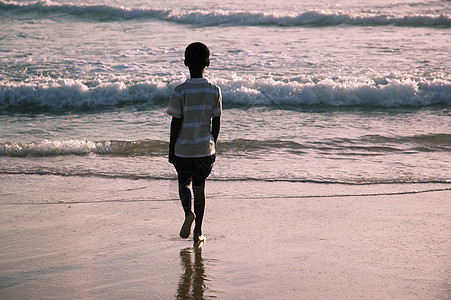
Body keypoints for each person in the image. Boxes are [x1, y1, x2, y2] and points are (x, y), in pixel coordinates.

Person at [167, 42, 222, 243]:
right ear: (208, 62)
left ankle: (188, 213)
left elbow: (176, 123)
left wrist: (171, 149)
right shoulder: (214, 90)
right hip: (203, 150)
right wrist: (212, 145)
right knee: (200, 187)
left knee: (184, 185)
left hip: (183, 150)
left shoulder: (179, 91)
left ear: (185, 63)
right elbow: (216, 123)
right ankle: (198, 231)